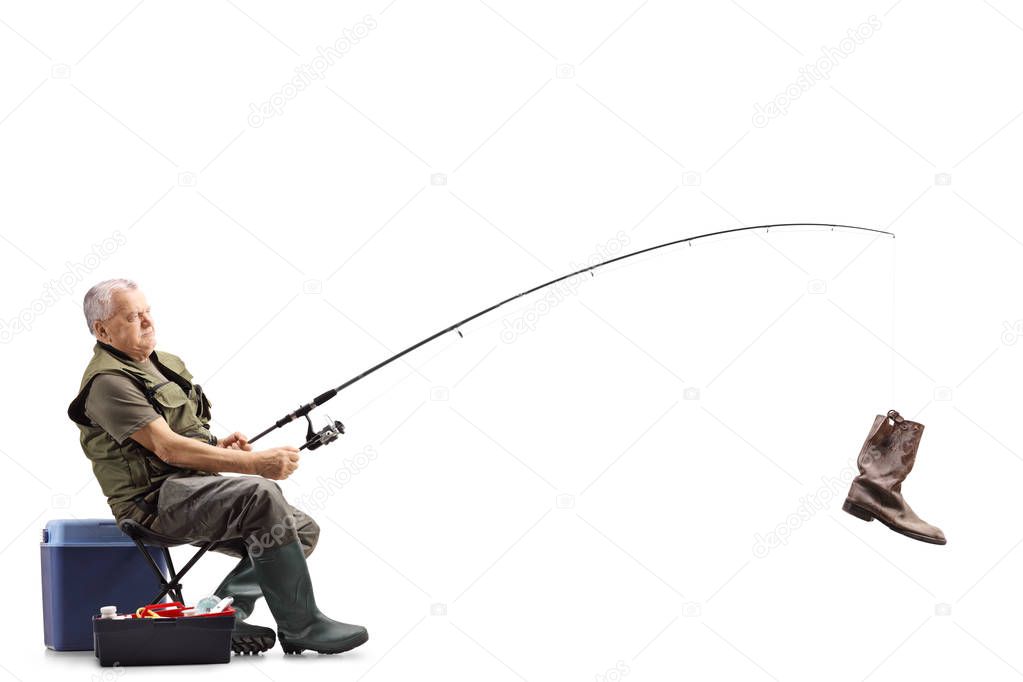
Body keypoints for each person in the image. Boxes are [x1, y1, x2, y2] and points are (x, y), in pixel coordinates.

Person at [67, 278, 368, 656]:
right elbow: (168, 447)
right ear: (102, 330)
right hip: (153, 506)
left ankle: (223, 615)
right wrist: (253, 463)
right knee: (260, 492)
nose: (147, 322)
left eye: (147, 312)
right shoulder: (107, 382)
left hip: (191, 490)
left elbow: (184, 436)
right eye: (132, 316)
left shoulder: (166, 364)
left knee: (302, 529)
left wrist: (216, 446)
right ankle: (302, 625)